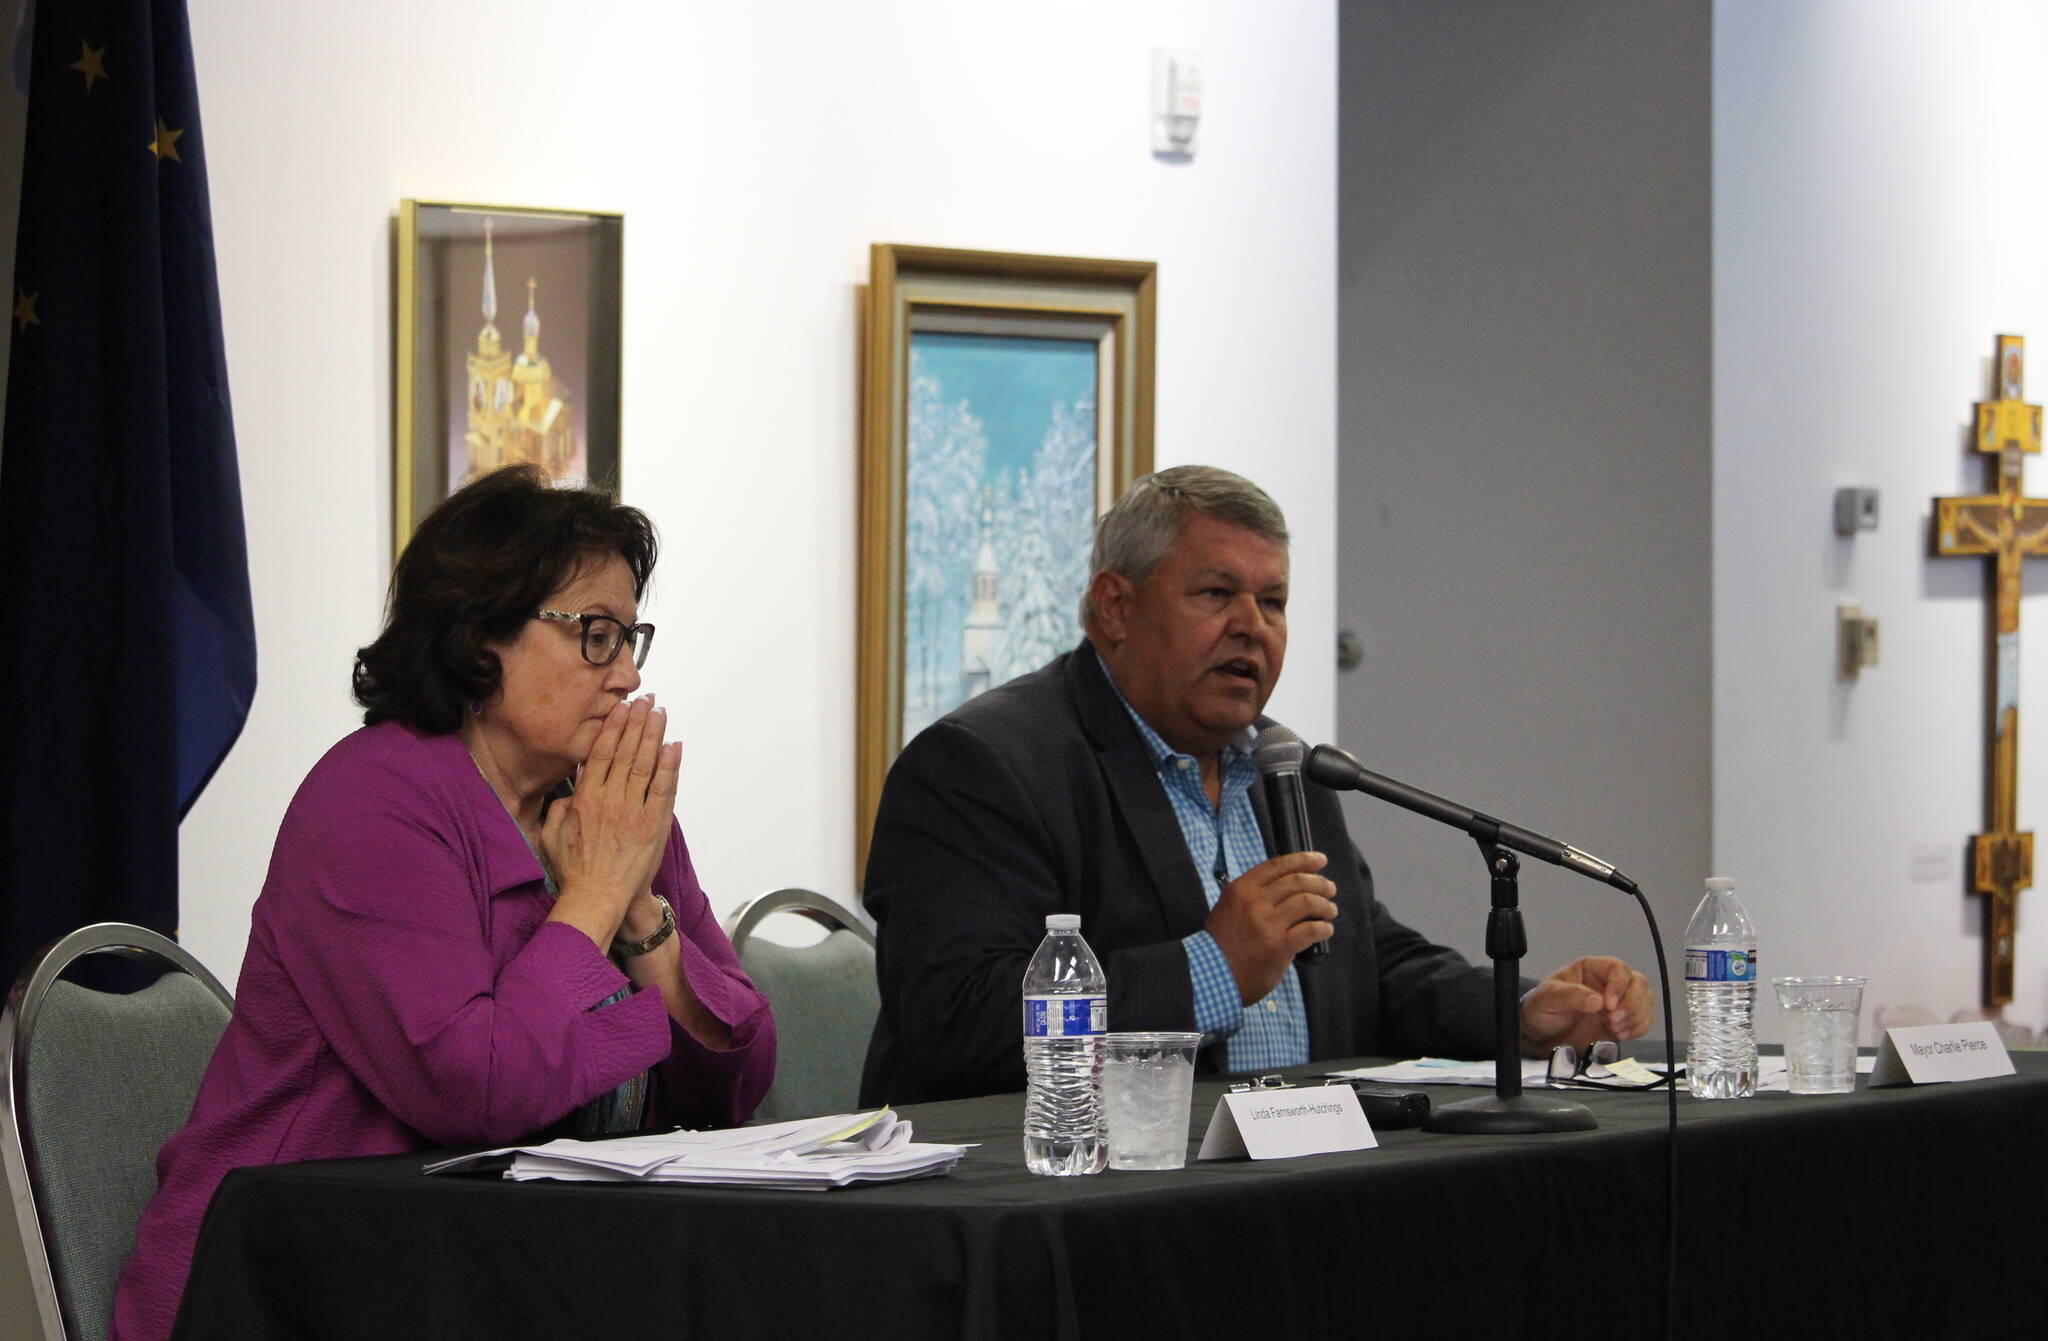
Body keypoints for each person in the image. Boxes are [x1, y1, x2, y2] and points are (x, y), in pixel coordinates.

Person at [112, 467, 776, 1340]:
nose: (624, 676)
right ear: (478, 637)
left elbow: (740, 1078)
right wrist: (595, 895)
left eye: (631, 639)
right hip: (286, 1288)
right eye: (596, 635)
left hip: (506, 1279)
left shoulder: (608, 802)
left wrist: (642, 911)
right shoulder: (371, 804)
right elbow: (475, 1088)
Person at [860, 464, 1648, 1105]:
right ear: (1115, 607)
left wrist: (1518, 1012)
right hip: (1078, 1206)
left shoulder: (1284, 769)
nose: (1252, 625)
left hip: (1288, 1181)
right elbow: (960, 1021)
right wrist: (1212, 966)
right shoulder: (983, 767)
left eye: (1272, 601)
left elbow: (1368, 969)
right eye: (1216, 593)